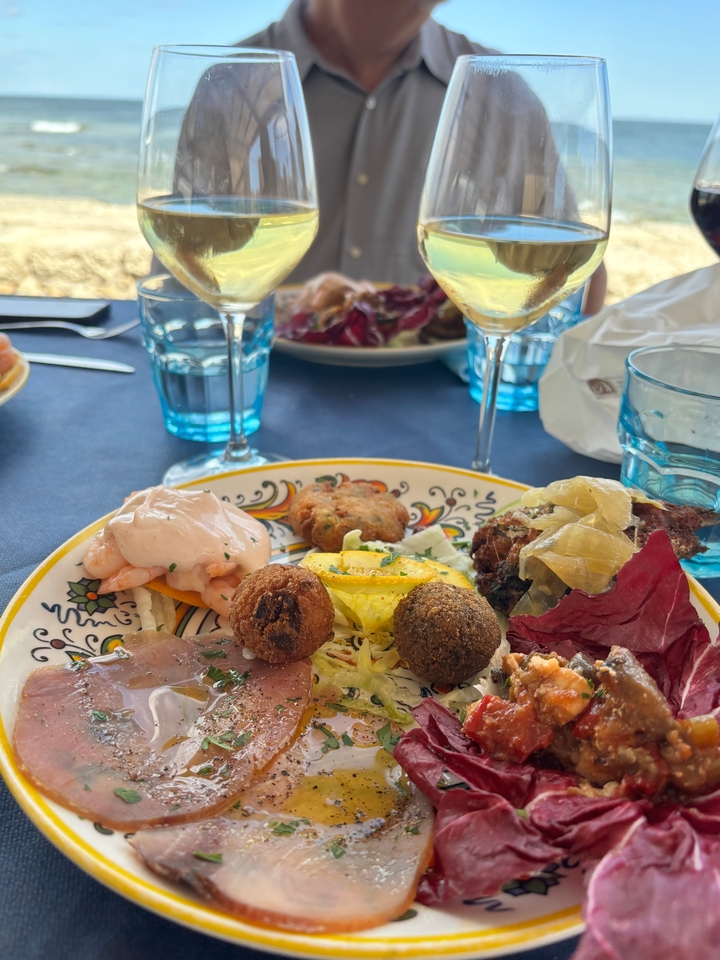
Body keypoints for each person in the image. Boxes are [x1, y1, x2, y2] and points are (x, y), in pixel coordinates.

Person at [240, 0, 607, 311]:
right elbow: (194, 281)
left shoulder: (501, 94)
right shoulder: (233, 85)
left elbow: (572, 286)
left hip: (450, 392)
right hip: (257, 385)